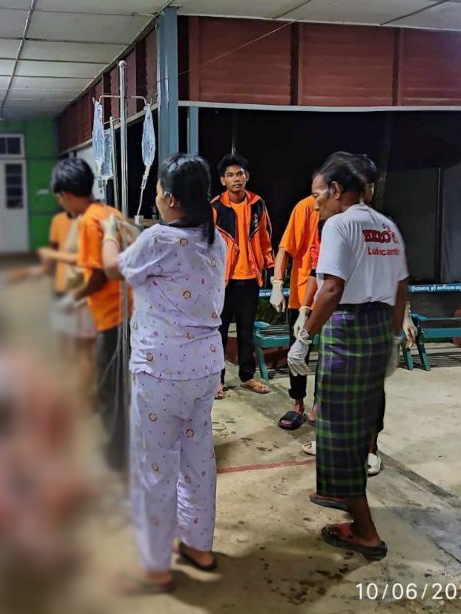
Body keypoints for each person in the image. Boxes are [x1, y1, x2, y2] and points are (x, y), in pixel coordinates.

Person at [100, 153, 226, 593]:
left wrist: (110, 234)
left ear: (170, 199)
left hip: (162, 371)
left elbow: (113, 268)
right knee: (197, 458)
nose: (155, 198)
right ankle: (198, 545)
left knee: (155, 466)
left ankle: (154, 566)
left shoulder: (157, 240)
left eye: (157, 191)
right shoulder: (215, 240)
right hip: (205, 369)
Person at [288, 154, 409, 561]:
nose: (315, 204)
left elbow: (332, 288)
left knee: (338, 430)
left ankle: (364, 531)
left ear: (337, 190)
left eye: (318, 195)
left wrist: (305, 336)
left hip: (348, 329)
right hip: (378, 328)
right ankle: (339, 494)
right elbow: (402, 287)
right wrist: (394, 336)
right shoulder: (387, 226)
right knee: (359, 425)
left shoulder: (340, 225)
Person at [44, 158, 129, 473]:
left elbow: (97, 276)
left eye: (59, 197)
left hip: (110, 316)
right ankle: (123, 447)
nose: (60, 203)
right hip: (126, 308)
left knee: (109, 389)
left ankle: (117, 455)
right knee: (121, 386)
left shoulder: (88, 221)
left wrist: (73, 298)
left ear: (66, 194)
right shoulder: (111, 212)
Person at [212, 153, 275, 399]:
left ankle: (247, 376)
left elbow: (265, 238)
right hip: (223, 281)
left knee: (246, 331)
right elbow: (207, 244)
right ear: (222, 180)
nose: (236, 178)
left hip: (250, 278)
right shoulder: (215, 207)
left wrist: (271, 270)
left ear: (247, 176)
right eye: (230, 175)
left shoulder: (258, 204)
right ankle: (216, 380)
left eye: (240, 174)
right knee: (219, 331)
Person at [272, 193, 319, 429]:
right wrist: (277, 284)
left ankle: (319, 406)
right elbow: (285, 248)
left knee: (330, 356)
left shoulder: (345, 211)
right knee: (297, 353)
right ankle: (298, 403)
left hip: (333, 297)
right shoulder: (306, 207)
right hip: (302, 293)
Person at [44, 206, 97, 399]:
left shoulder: (87, 223)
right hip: (66, 287)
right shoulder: (62, 220)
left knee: (82, 348)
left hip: (79, 292)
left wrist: (51, 258)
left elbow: (75, 258)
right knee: (68, 342)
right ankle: (68, 385)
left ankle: (81, 393)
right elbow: (54, 248)